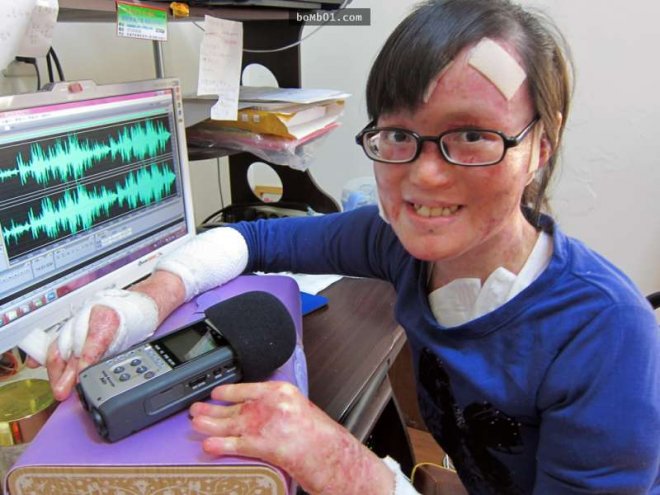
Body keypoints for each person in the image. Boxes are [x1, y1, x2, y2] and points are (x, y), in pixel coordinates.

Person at [27, 0, 660, 493]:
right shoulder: (401, 246)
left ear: (540, 147)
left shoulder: (604, 333)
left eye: (471, 136)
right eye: (399, 134)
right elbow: (251, 238)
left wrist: (352, 470)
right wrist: (143, 303)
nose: (424, 176)